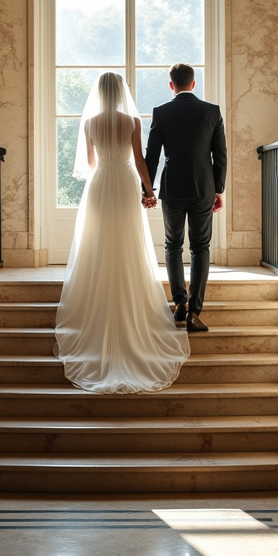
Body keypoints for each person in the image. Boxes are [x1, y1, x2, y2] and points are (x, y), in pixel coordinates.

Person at [55, 72, 190, 393]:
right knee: (128, 244)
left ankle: (96, 298)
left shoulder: (90, 123)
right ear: (122, 93)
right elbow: (140, 160)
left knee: (98, 242)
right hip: (125, 182)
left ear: (99, 93)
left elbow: (89, 162)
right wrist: (149, 189)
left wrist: (105, 160)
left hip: (101, 183)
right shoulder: (132, 120)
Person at [144, 63, 227, 332]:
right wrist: (218, 189)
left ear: (172, 85)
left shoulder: (161, 112)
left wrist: (147, 190)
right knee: (201, 248)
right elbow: (220, 156)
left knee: (172, 245)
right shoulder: (211, 111)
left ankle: (179, 302)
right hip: (203, 188)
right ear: (194, 83)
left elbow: (152, 156)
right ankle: (195, 311)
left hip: (173, 190)